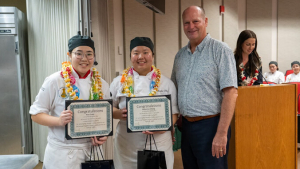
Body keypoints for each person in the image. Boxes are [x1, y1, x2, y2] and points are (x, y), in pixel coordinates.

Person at [171, 6, 238, 169]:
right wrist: (170, 125)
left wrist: (222, 133)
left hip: (211, 127)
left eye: (196, 21)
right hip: (185, 127)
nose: (191, 26)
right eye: (186, 23)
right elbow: (173, 92)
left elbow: (231, 93)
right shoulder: (180, 56)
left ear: (205, 22)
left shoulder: (220, 50)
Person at [29, 34, 110, 169]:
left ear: (94, 56)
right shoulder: (55, 80)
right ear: (69, 55)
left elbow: (104, 115)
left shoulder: (101, 84)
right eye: (78, 54)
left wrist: (103, 135)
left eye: (89, 54)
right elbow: (36, 115)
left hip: (92, 152)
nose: (84, 59)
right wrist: (59, 121)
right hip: (62, 154)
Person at [110, 37, 179, 169]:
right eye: (136, 53)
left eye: (145, 52)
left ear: (152, 55)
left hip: (159, 143)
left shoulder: (166, 83)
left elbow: (174, 113)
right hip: (127, 144)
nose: (141, 57)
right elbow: (108, 109)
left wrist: (166, 126)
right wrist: (119, 113)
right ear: (130, 56)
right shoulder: (119, 82)